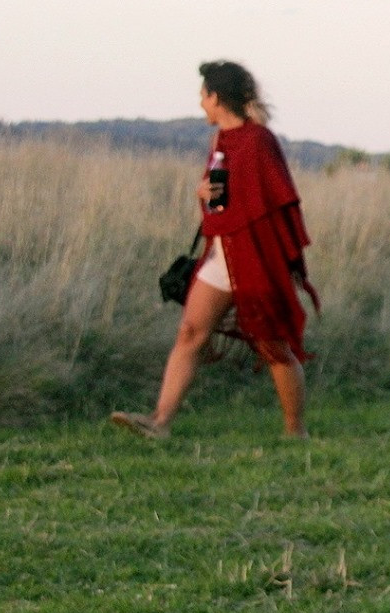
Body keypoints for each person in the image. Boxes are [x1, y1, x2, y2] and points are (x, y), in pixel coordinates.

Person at [112, 61, 317, 440]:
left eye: (203, 95)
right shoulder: (220, 141)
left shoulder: (259, 141)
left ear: (216, 97)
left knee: (273, 344)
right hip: (222, 255)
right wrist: (203, 195)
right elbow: (222, 204)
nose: (200, 103)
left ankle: (295, 430)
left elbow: (275, 200)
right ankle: (160, 423)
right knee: (191, 332)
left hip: (255, 257)